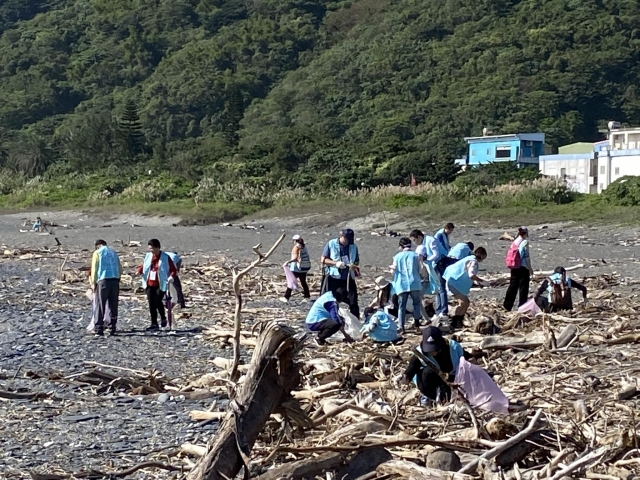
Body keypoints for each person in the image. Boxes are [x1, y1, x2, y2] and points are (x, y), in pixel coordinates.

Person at [400, 326, 467, 404]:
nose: (432, 352)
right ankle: (429, 397)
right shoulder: (420, 354)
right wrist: (405, 378)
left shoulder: (453, 347)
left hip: (452, 381)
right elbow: (410, 370)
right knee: (427, 372)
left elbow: (467, 359)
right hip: (429, 383)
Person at [443, 247, 489, 329]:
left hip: (453, 281)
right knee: (463, 303)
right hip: (454, 283)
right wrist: (482, 281)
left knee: (466, 303)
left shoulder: (469, 258)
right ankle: (453, 322)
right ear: (482, 255)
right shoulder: (473, 261)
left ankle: (459, 321)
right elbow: (471, 275)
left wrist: (478, 283)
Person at [137, 239, 177, 331]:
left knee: (158, 300)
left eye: (152, 248)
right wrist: (139, 270)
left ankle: (163, 317)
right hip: (149, 282)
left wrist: (171, 277)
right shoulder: (148, 256)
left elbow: (173, 269)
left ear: (157, 247)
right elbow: (144, 266)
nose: (151, 250)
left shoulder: (165, 257)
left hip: (161, 283)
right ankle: (154, 323)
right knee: (151, 303)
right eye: (150, 248)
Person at [321, 228, 360, 317]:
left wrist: (353, 265)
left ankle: (356, 322)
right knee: (330, 299)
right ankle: (329, 318)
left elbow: (357, 261)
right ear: (341, 236)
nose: (348, 242)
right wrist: (336, 263)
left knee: (353, 301)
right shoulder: (331, 244)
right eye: (346, 240)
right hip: (333, 277)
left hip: (348, 277)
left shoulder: (353, 246)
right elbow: (323, 260)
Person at [409, 229, 446, 319]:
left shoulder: (430, 240)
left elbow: (436, 254)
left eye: (414, 240)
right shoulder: (423, 243)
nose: (414, 243)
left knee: (441, 287)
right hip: (433, 265)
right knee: (437, 288)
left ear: (419, 237)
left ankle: (444, 311)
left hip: (441, 262)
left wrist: (426, 260)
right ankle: (438, 311)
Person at [90, 240, 122, 336]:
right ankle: (112, 327)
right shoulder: (113, 252)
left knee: (100, 304)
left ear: (98, 246)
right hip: (115, 280)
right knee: (113, 304)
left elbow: (94, 268)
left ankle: (99, 328)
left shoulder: (97, 253)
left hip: (103, 280)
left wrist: (93, 282)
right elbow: (120, 268)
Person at [391, 237, 424, 333]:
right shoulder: (416, 255)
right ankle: (417, 323)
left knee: (402, 305)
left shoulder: (397, 257)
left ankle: (401, 326)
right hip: (414, 282)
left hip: (402, 283)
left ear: (401, 246)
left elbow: (393, 271)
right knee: (416, 303)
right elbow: (421, 268)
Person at [503, 227, 534, 311]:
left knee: (513, 286)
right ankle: (522, 306)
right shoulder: (524, 242)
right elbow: (526, 257)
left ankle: (507, 305)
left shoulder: (515, 241)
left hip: (514, 266)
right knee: (523, 288)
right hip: (523, 267)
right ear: (526, 233)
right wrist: (530, 269)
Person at [281, 234, 311, 302]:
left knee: (291, 280)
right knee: (303, 282)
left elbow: (295, 258)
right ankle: (307, 296)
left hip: (296, 268)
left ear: (294, 241)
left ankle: (286, 297)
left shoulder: (296, 247)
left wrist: (288, 262)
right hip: (304, 267)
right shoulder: (304, 246)